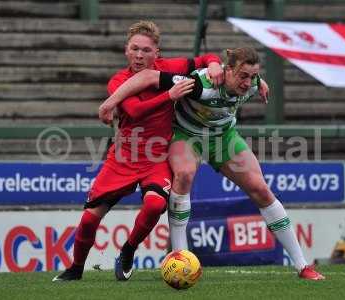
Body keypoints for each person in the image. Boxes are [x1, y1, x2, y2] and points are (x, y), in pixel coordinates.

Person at [102, 46, 325, 281]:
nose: (248, 82)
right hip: (186, 135)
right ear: (227, 71)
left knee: (261, 189)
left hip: (223, 138)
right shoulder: (202, 83)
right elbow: (147, 76)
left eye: (252, 77)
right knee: (185, 174)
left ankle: (302, 266)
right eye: (243, 76)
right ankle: (181, 257)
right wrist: (110, 103)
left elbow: (254, 77)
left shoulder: (253, 83)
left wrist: (260, 82)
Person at [53, 20, 224, 282]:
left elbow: (204, 57)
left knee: (155, 204)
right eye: (134, 49)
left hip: (156, 158)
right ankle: (75, 269)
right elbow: (133, 110)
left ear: (158, 53)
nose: (139, 55)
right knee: (89, 220)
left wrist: (212, 64)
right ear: (126, 50)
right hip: (122, 158)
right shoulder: (119, 81)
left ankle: (128, 251)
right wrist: (170, 96)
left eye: (146, 50)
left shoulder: (167, 69)